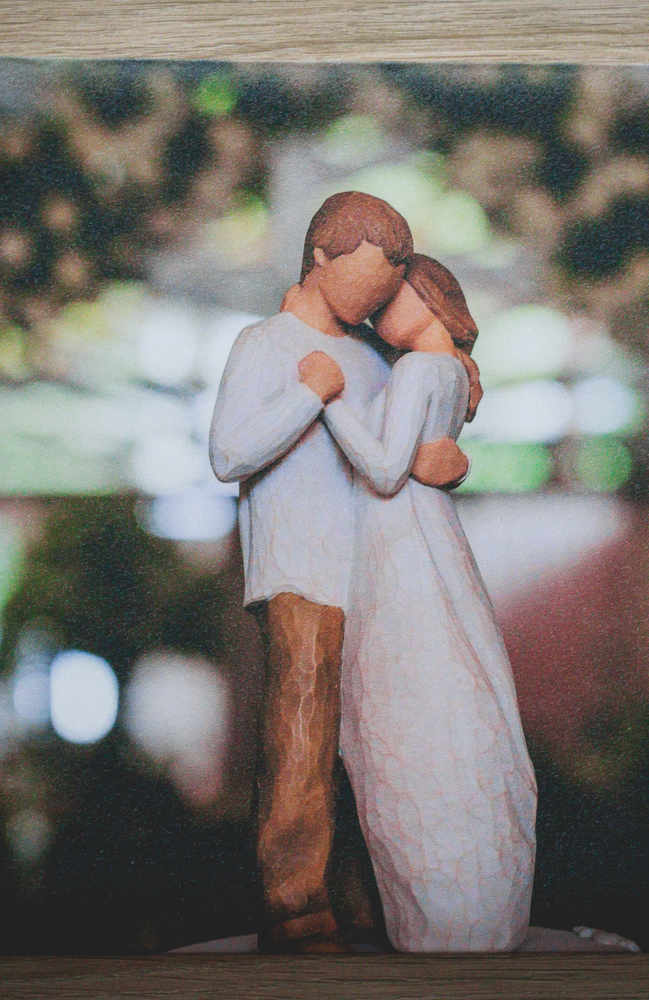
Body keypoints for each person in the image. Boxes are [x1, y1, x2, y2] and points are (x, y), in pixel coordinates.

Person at [207, 193, 468, 953]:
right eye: (367, 275)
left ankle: (362, 894)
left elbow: (400, 445)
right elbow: (228, 453)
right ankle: (293, 900)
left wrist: (445, 459)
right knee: (304, 724)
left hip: (379, 571)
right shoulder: (265, 344)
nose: (378, 297)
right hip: (301, 568)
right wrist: (306, 394)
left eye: (389, 284)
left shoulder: (376, 359)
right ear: (321, 257)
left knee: (371, 731)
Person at [303, 254, 538, 952]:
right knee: (446, 689)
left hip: (398, 540)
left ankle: (438, 909)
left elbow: (382, 469)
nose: (378, 312)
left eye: (391, 299)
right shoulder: (449, 375)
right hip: (425, 536)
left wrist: (327, 400)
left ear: (431, 299)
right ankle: (469, 902)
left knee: (406, 699)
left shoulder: (416, 371)